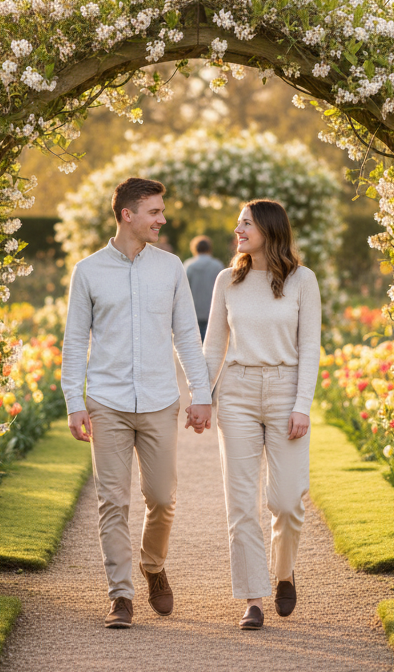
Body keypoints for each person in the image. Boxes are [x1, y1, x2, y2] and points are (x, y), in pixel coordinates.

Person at [61, 177, 213, 630]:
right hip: (106, 401)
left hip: (159, 400)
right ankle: (121, 596)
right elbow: (74, 342)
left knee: (162, 498)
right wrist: (75, 400)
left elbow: (188, 335)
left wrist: (200, 395)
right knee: (112, 501)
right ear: (128, 215)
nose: (162, 219)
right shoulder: (88, 271)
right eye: (154, 212)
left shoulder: (170, 268)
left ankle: (153, 565)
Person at [202, 199, 321, 631]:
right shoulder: (226, 281)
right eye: (238, 223)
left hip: (286, 389)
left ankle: (284, 572)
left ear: (269, 229)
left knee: (288, 502)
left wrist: (302, 405)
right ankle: (253, 597)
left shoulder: (302, 281)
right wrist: (200, 394)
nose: (238, 229)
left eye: (246, 223)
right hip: (236, 392)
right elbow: (214, 346)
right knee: (241, 502)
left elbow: (310, 347)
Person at [183, 235, 225, 341]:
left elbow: (182, 291)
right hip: (213, 312)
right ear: (209, 248)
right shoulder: (217, 266)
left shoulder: (189, 266)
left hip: (193, 313)